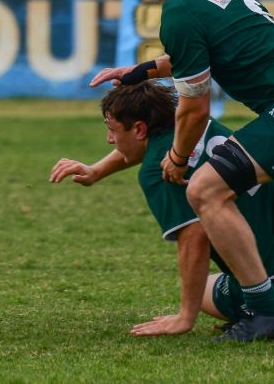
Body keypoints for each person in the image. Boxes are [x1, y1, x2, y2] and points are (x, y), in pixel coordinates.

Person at [89, 0, 274, 341]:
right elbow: (203, 48)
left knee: (203, 190)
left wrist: (175, 159)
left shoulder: (180, 13)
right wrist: (139, 70)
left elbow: (193, 109)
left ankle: (265, 311)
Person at [50, 81, 274, 336]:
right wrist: (96, 170)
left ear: (139, 128)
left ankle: (260, 308)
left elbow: (194, 237)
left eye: (112, 130)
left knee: (201, 294)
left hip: (266, 280)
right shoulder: (193, 127)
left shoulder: (157, 171)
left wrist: (185, 317)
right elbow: (138, 145)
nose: (109, 139)